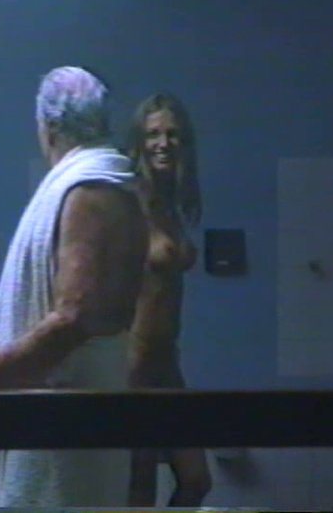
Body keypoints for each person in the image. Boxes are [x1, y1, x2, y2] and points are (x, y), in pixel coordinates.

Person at [0, 66, 148, 507]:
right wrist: (6, 341)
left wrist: (3, 366)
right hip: (61, 412)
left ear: (47, 127)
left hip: (72, 421)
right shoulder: (91, 184)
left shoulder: (92, 189)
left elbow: (76, 315)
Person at [125, 93, 212, 506]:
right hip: (134, 365)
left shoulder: (170, 205)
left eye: (173, 134)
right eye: (153, 134)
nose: (163, 143)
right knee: (139, 490)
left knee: (196, 480)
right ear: (139, 142)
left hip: (167, 365)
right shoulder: (130, 199)